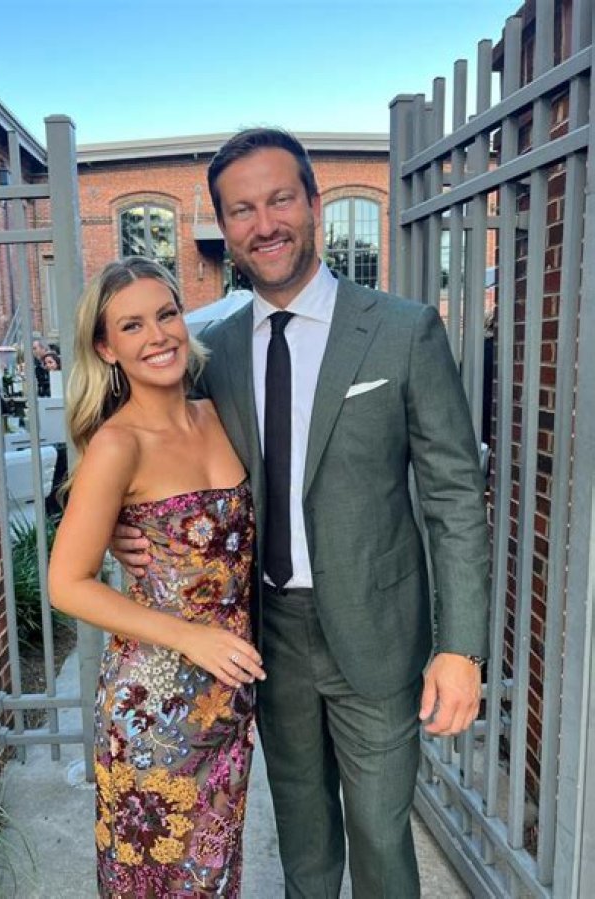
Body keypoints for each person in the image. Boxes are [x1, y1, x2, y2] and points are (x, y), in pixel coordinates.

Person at [113, 129, 491, 898]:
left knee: (381, 837)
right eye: (242, 209)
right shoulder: (210, 349)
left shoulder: (403, 331)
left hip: (377, 631)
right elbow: (141, 444)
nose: (265, 223)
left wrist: (462, 647)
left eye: (280, 199)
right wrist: (128, 524)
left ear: (314, 203)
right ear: (225, 226)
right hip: (265, 635)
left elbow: (455, 494)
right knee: (303, 837)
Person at [47, 256, 265, 897]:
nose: (157, 336)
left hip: (226, 699)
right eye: (132, 326)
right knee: (155, 879)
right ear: (106, 348)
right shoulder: (118, 445)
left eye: (166, 314)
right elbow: (67, 582)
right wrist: (190, 636)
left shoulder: (220, 414)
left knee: (212, 876)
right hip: (153, 708)